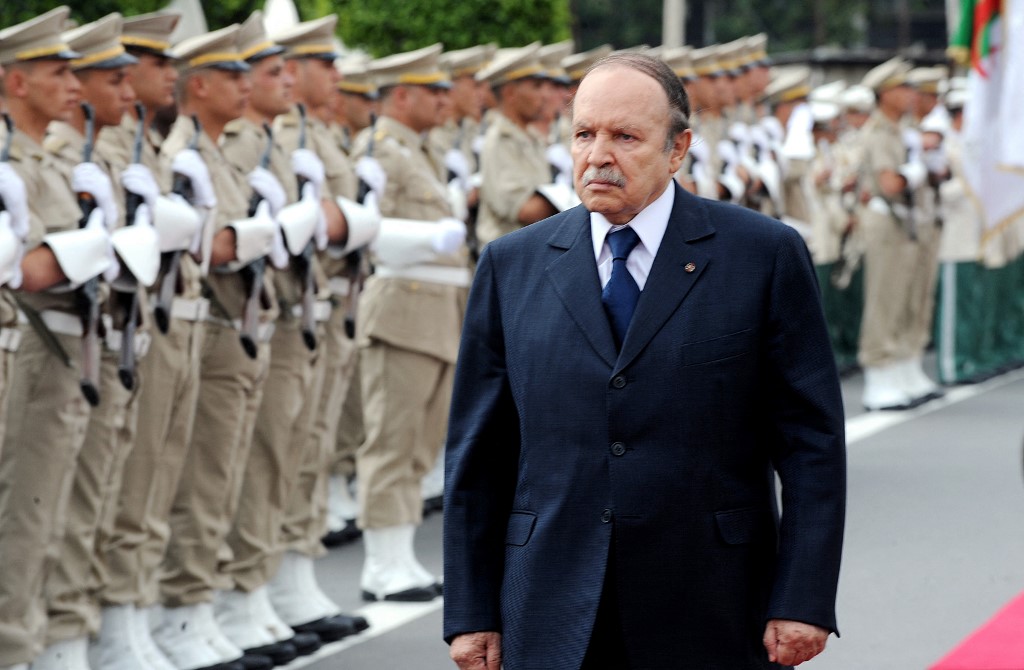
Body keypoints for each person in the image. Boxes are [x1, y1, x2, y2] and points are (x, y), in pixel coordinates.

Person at [444, 52, 846, 669]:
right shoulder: (512, 265)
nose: (598, 155)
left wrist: (805, 596)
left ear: (678, 147)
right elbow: (479, 456)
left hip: (712, 603)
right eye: (584, 133)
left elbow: (810, 445)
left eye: (625, 136)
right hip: (551, 606)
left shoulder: (761, 256)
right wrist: (471, 612)